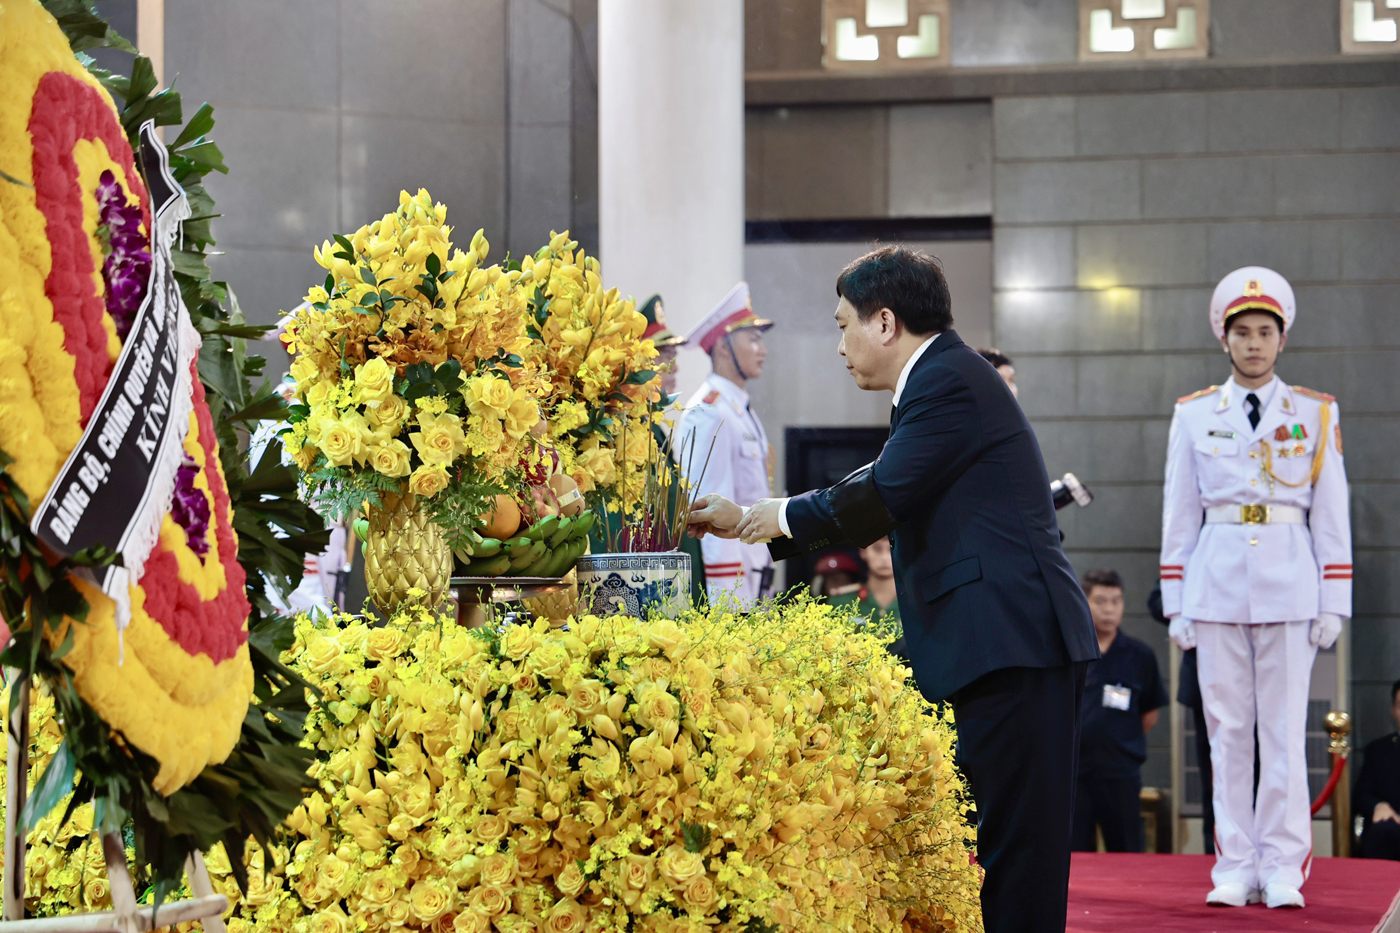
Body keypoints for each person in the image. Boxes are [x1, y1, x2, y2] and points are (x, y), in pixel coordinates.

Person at [688, 246, 1099, 933]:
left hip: (1016, 642)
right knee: (1010, 850)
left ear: (885, 322)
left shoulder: (948, 381)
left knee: (1020, 859)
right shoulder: (940, 380)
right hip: (1002, 642)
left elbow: (884, 489)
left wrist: (769, 517)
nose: (840, 344)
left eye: (843, 324)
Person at [1160, 266, 1352, 909]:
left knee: (1283, 735)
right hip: (1215, 588)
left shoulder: (1315, 413)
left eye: (1264, 331)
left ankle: (1284, 868)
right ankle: (1234, 866)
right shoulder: (1192, 416)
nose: (1253, 342)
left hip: (1290, 587)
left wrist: (1333, 600)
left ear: (1282, 337)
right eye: (1241, 331)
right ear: (1225, 338)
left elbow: (1331, 513)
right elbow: (1178, 515)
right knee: (1226, 735)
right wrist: (1177, 601)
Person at [675, 282, 775, 606]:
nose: (762, 349)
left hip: (756, 571)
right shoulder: (708, 411)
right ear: (722, 346)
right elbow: (708, 509)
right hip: (734, 586)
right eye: (753, 339)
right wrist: (729, 603)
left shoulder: (738, 409)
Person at [1073, 569, 1168, 853]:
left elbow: (1149, 715)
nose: (1109, 609)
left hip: (1121, 773)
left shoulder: (1140, 655)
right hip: (1075, 773)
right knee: (1074, 854)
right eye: (1101, 601)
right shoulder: (1071, 652)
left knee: (1126, 851)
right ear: (1083, 602)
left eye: (1116, 601)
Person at [828, 536, 905, 653]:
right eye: (877, 549)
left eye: (891, 549)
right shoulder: (841, 601)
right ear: (863, 551)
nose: (884, 557)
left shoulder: (914, 603)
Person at [1355, 679, 1400, 861]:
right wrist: (1378, 806)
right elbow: (1362, 794)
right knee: (1381, 831)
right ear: (1393, 711)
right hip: (1391, 830)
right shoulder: (1378, 750)